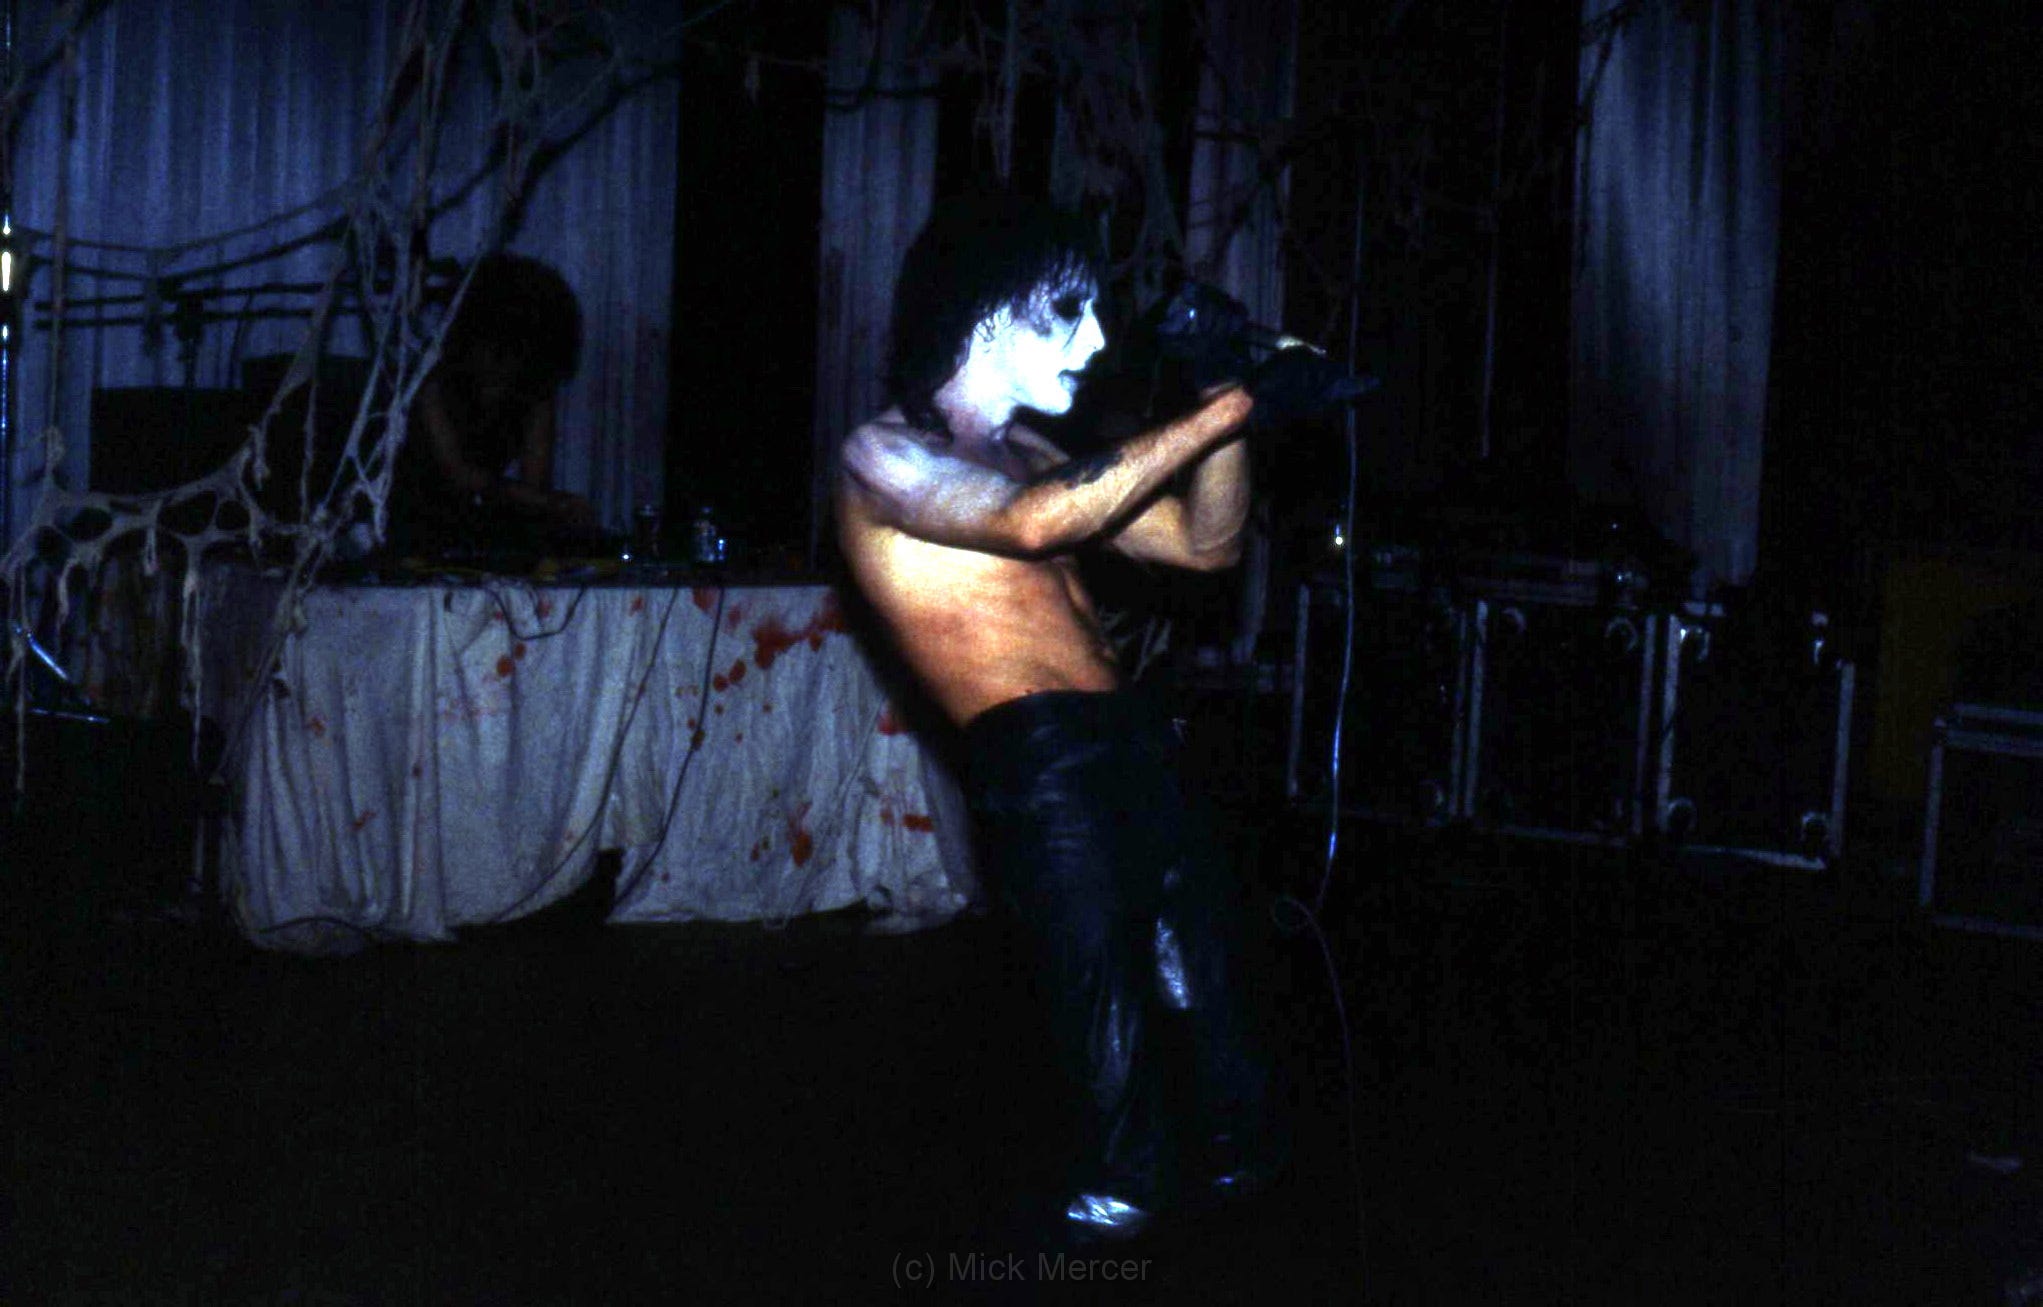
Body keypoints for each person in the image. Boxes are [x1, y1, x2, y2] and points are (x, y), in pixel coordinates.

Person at [835, 195, 1289, 1245]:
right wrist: (1225, 409)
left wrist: (1223, 398)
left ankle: (1236, 1218)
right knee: (1107, 1037)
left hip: (1130, 739)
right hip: (1040, 760)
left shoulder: (1036, 452)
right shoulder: (878, 457)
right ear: (988, 309)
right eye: (1066, 313)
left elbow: (1208, 545)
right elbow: (1034, 527)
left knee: (1212, 1008)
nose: (1094, 343)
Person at [385, 252, 598, 558]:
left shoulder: (533, 392)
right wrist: (548, 502)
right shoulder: (431, 382)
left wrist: (556, 507)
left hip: (474, 530)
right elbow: (458, 475)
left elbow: (534, 485)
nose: (509, 360)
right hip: (411, 523)